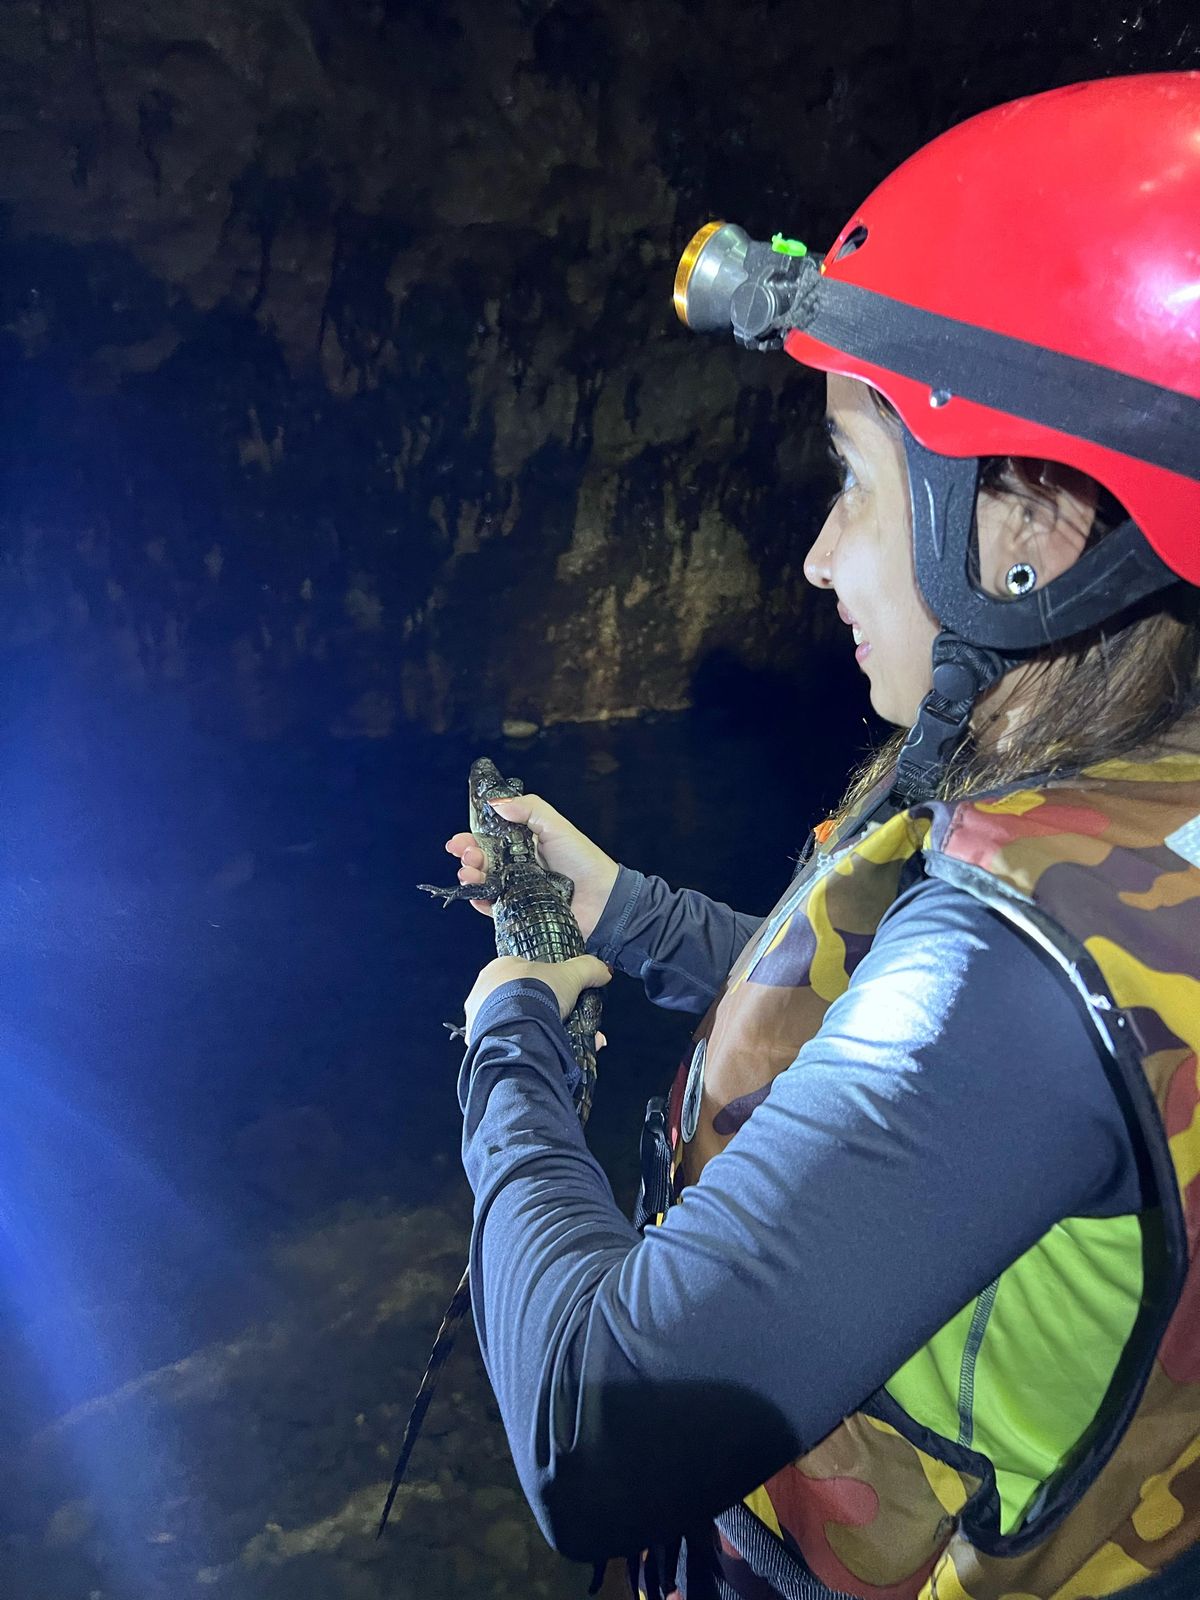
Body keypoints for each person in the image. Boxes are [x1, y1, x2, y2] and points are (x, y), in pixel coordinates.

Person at [441, 74, 1200, 1600]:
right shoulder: (1143, 816)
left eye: (854, 484)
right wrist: (631, 914)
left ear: (1029, 523)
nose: (814, 556)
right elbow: (930, 1090)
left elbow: (593, 1427)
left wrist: (511, 1034)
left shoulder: (1013, 974)